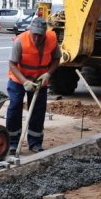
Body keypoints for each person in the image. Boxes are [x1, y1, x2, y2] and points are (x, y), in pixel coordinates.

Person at [6, 17, 61, 154]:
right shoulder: (20, 41)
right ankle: (12, 143)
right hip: (19, 80)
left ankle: (35, 143)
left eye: (40, 35)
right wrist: (25, 81)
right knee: (14, 107)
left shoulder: (51, 39)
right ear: (30, 30)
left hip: (39, 81)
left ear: (44, 33)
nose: (37, 38)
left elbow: (56, 59)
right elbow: (12, 64)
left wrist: (48, 74)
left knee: (38, 111)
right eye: (34, 34)